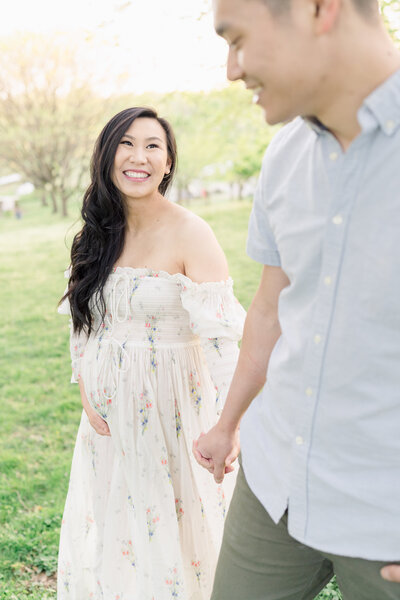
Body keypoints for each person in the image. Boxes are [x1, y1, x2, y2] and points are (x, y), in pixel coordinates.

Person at [193, 1, 400, 599]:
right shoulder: (284, 157)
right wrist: (228, 424)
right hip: (274, 483)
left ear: (318, 8)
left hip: (385, 519)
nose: (232, 70)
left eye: (237, 40)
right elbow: (269, 310)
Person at [57, 106, 245, 600]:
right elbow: (84, 323)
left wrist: (231, 423)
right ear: (106, 156)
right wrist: (85, 388)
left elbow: (224, 340)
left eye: (152, 146)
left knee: (176, 533)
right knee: (121, 533)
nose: (138, 156)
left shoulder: (191, 232)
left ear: (167, 163)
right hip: (109, 424)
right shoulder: (96, 235)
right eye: (126, 143)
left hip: (174, 414)